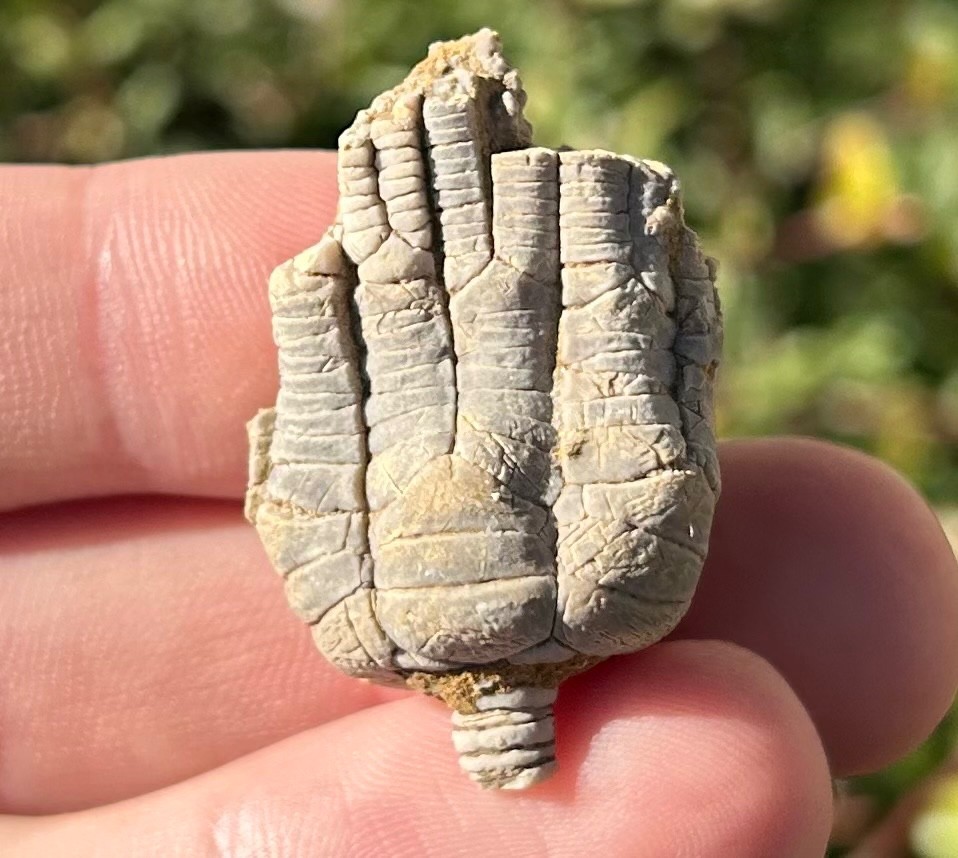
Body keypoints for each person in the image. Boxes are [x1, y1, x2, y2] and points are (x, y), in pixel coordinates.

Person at [1, 151, 956, 857]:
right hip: (480, 315)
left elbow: (305, 452)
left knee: (470, 290)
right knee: (502, 291)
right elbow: (306, 459)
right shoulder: (394, 622)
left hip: (458, 342)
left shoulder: (382, 623)